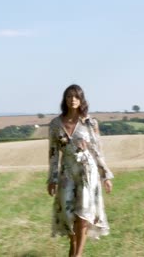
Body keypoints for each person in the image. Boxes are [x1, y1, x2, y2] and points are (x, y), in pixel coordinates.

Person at [47, 84, 114, 257]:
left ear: (81, 99)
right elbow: (53, 154)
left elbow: (97, 150)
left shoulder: (90, 123)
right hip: (67, 172)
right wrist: (52, 179)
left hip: (87, 172)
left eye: (76, 97)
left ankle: (77, 255)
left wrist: (105, 175)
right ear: (65, 99)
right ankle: (74, 245)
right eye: (69, 96)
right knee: (69, 215)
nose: (73, 100)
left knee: (84, 214)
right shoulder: (55, 124)